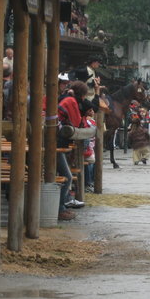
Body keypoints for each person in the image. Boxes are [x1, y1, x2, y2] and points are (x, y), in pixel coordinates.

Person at [56, 80, 93, 220]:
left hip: (59, 142)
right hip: (57, 143)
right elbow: (76, 123)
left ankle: (62, 206)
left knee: (65, 175)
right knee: (67, 177)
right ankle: (60, 208)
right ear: (82, 95)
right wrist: (83, 114)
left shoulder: (69, 98)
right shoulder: (71, 101)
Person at [81, 100, 97, 193]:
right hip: (87, 147)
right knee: (90, 160)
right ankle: (88, 182)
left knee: (91, 160)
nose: (93, 112)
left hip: (89, 146)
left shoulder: (89, 120)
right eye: (91, 110)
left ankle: (89, 182)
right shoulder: (89, 121)